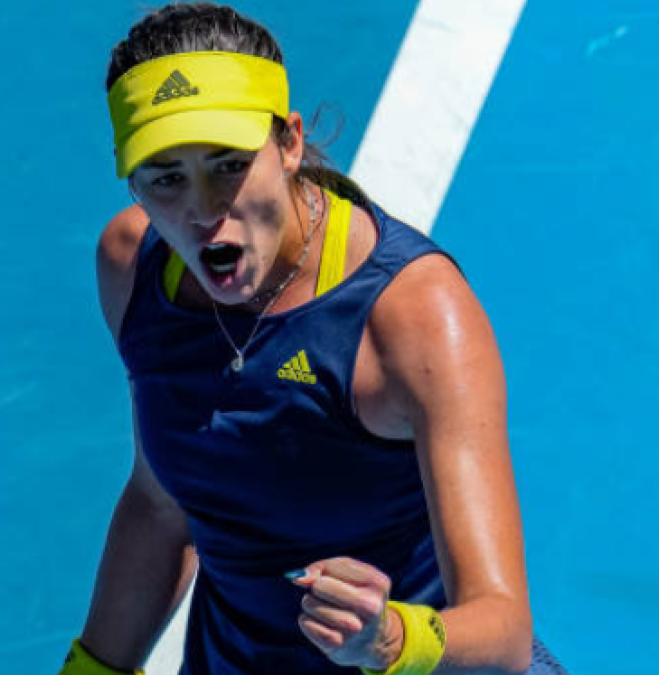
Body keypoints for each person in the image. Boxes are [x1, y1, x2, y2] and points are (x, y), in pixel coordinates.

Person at [61, 3, 568, 674]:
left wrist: (388, 637)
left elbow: (501, 630)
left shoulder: (413, 317)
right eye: (166, 177)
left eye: (228, 164)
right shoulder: (134, 269)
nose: (205, 208)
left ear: (290, 143)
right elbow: (162, 505)